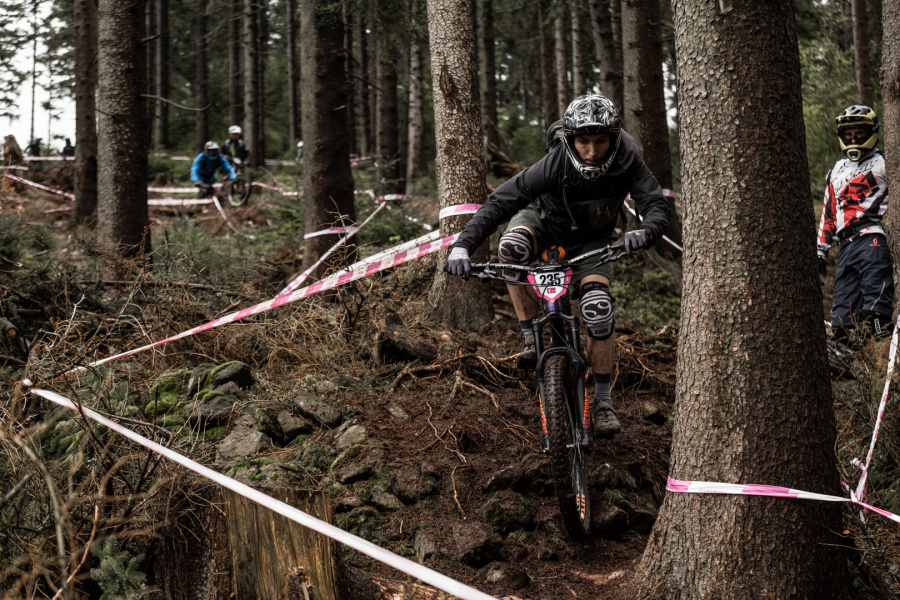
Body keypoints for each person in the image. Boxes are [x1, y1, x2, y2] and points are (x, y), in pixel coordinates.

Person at [445, 94, 670, 440]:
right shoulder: (556, 162)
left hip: (593, 239)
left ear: (613, 138)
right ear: (570, 139)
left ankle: (603, 400)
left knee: (597, 309)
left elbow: (654, 203)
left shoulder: (627, 160)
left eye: (600, 141)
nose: (592, 151)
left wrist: (646, 230)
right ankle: (530, 338)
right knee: (512, 247)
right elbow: (502, 200)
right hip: (542, 223)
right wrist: (463, 245)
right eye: (583, 142)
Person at [816, 105, 894, 344]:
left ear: (871, 131)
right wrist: (820, 250)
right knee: (841, 321)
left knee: (876, 310)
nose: (853, 138)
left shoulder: (886, 161)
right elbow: (829, 213)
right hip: (846, 246)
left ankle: (885, 360)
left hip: (874, 237)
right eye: (848, 133)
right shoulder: (836, 170)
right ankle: (850, 368)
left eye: (859, 132)